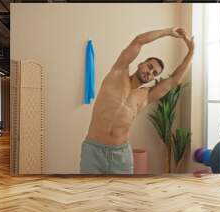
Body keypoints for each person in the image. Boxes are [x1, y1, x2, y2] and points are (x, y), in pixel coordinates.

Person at [80, 27, 195, 174]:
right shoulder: (118, 72)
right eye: (150, 66)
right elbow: (138, 41)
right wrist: (167, 32)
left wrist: (191, 51)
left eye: (154, 73)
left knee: (122, 195)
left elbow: (174, 80)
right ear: (141, 64)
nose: (150, 72)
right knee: (89, 195)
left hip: (120, 156)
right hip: (93, 151)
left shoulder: (146, 96)